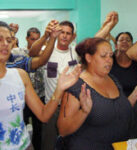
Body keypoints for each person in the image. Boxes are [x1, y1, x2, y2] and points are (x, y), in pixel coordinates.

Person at [0, 20, 82, 149]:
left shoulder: (20, 75)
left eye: (9, 40)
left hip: (24, 145)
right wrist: (48, 37)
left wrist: (60, 88)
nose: (5, 44)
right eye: (0, 39)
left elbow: (43, 115)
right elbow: (35, 55)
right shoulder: (47, 50)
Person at [57, 37, 137, 150]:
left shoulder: (112, 79)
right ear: (89, 57)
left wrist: (135, 95)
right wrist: (84, 112)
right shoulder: (77, 86)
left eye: (111, 55)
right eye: (103, 56)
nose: (109, 60)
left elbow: (118, 111)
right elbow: (63, 130)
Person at [95, 11, 137, 139]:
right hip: (112, 108)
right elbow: (94, 44)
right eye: (121, 40)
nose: (124, 42)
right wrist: (106, 27)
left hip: (134, 110)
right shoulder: (109, 60)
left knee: (135, 141)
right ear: (115, 45)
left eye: (128, 40)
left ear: (132, 44)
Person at [30, 20, 79, 150]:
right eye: (61, 32)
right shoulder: (47, 50)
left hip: (70, 107)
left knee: (70, 143)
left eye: (68, 33)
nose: (64, 36)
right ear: (56, 33)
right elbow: (32, 53)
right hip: (52, 107)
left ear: (73, 36)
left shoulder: (75, 52)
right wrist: (46, 35)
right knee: (49, 144)